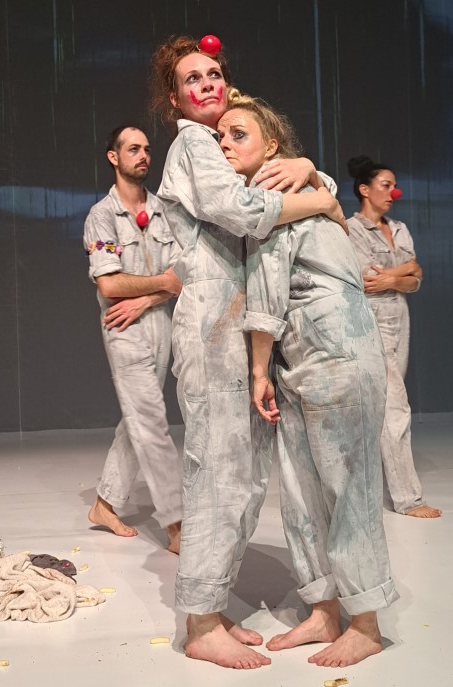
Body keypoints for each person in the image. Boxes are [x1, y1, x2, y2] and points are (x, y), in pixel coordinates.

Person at [150, 35, 348, 670]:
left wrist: (310, 168)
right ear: (174, 98)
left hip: (237, 321)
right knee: (219, 470)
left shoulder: (221, 143)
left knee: (244, 474)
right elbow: (239, 209)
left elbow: (276, 167)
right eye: (191, 79)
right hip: (212, 321)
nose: (206, 84)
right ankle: (199, 622)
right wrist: (319, 197)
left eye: (213, 73)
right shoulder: (191, 143)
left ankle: (210, 605)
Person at [217, 94, 399, 668]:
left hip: (336, 351)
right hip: (301, 355)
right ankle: (323, 609)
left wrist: (257, 368)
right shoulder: (287, 193)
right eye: (220, 136)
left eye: (238, 134)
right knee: (299, 491)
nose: (225, 144)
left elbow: (268, 287)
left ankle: (365, 622)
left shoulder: (285, 193)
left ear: (272, 146)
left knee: (348, 487)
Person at [83, 125, 183, 553]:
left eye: (146, 149)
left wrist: (146, 298)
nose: (143, 155)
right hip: (123, 328)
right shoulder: (101, 216)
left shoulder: (164, 211)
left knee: (139, 419)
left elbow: (183, 274)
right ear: (113, 157)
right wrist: (162, 285)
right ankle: (177, 524)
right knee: (151, 423)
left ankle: (104, 504)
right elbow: (109, 285)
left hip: (160, 323)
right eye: (133, 149)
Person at [347, 156, 441, 519]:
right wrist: (400, 273)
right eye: (386, 185)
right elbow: (366, 279)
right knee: (395, 407)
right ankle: (408, 498)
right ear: (364, 189)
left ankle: (367, 487)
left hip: (400, 317)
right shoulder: (352, 229)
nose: (393, 192)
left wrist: (394, 277)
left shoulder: (400, 229)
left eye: (394, 186)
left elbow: (416, 279)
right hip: (371, 320)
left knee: (383, 404)